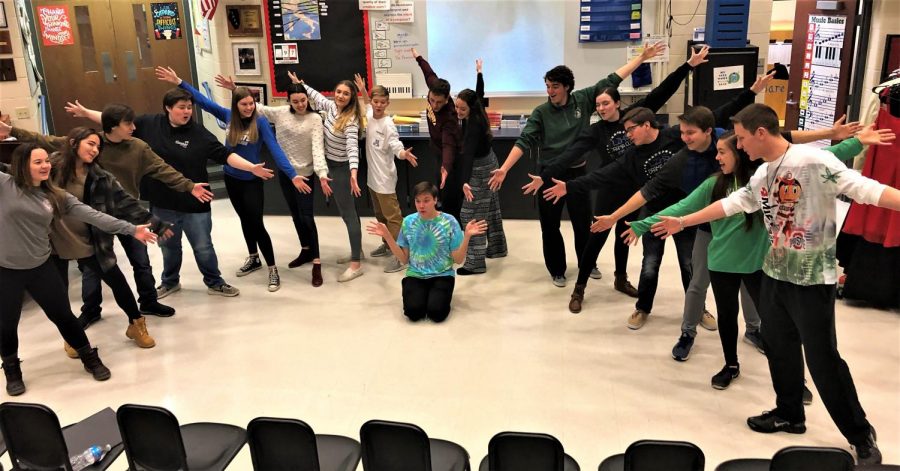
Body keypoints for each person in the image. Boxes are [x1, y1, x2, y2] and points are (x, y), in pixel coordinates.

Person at [650, 104, 900, 465]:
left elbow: (867, 190)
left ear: (761, 133)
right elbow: (733, 203)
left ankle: (860, 434)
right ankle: (789, 414)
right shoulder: (763, 173)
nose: (739, 146)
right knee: (779, 348)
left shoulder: (813, 162)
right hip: (774, 275)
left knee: (822, 358)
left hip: (812, 278)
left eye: (742, 138)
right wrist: (683, 220)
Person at [625, 128, 893, 389]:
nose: (717, 158)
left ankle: (792, 380)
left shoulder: (766, 177)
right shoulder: (716, 183)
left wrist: (858, 141)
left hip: (758, 264)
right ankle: (729, 364)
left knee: (775, 324)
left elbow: (825, 158)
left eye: (724, 152)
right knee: (726, 315)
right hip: (721, 263)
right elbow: (683, 207)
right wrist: (642, 224)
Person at [542, 76, 769, 327]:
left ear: (647, 125)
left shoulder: (674, 137)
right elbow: (602, 176)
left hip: (682, 212)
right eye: (625, 131)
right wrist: (569, 186)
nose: (628, 136)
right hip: (654, 211)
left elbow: (716, 115)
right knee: (650, 265)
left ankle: (698, 310)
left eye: (631, 130)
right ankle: (641, 308)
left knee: (688, 264)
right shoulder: (630, 156)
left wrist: (750, 92)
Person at [523, 45, 711, 295]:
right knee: (596, 234)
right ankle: (580, 287)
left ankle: (620, 279)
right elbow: (570, 153)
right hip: (609, 187)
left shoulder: (635, 116)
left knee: (624, 234)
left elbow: (663, 91)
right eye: (598, 105)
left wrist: (687, 66)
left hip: (635, 189)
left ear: (616, 103)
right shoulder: (595, 131)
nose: (601, 108)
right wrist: (544, 176)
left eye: (605, 104)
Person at [3, 105, 214, 320]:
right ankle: (91, 311)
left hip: (126, 213)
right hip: (93, 219)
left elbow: (161, 171)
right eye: (128, 123)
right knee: (93, 269)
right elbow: (43, 140)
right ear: (113, 127)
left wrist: (188, 187)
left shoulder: (136, 149)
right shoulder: (79, 151)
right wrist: (11, 131)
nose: (134, 127)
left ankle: (147, 303)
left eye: (96, 147)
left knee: (140, 262)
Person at [67, 91, 278, 299]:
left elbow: (226, 155)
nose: (187, 112)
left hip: (195, 201)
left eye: (189, 107)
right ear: (168, 108)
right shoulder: (149, 124)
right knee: (168, 247)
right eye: (181, 107)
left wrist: (251, 168)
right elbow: (115, 123)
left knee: (203, 247)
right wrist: (86, 113)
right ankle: (170, 282)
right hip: (162, 202)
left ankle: (215, 282)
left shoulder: (199, 134)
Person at [488, 42, 666, 288]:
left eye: (555, 87)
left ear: (567, 88)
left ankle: (587, 262)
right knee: (550, 226)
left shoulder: (582, 99)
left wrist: (643, 57)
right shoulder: (541, 112)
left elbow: (613, 78)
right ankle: (557, 270)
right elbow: (524, 140)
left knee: (583, 223)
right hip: (548, 175)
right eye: (548, 86)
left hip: (577, 174)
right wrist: (505, 168)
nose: (550, 91)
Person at [0, 143, 157, 395]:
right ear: (22, 165)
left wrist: (131, 228)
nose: (45, 166)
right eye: (37, 162)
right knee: (6, 323)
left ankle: (89, 357)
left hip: (40, 266)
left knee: (63, 315)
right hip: (6, 269)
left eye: (46, 161)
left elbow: (94, 215)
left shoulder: (55, 195)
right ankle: (11, 369)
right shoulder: (4, 185)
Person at [156, 66, 306, 292]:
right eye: (244, 104)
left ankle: (272, 268)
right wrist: (180, 82)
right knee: (244, 219)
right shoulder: (228, 116)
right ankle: (253, 257)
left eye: (251, 103)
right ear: (236, 106)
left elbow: (276, 150)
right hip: (232, 178)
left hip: (252, 181)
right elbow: (203, 102)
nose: (248, 108)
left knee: (256, 223)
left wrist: (293, 175)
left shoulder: (261, 122)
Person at [47, 127, 169, 353]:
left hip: (90, 240)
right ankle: (72, 335)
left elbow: (126, 201)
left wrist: (155, 222)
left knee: (117, 281)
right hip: (52, 242)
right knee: (58, 294)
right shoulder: (49, 167)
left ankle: (136, 324)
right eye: (90, 144)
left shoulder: (100, 177)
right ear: (74, 142)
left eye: (98, 147)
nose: (95, 150)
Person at [216, 76, 328, 287]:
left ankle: (316, 262)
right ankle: (305, 251)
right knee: (295, 215)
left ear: (307, 99)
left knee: (306, 218)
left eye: (303, 100)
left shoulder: (314, 119)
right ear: (289, 101)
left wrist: (321, 174)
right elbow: (253, 106)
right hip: (287, 175)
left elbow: (317, 149)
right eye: (295, 101)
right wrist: (235, 89)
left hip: (304, 174)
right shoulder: (281, 113)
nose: (300, 104)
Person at [366, 181, 486, 323]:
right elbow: (404, 259)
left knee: (436, 314)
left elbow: (458, 260)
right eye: (418, 201)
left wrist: (466, 236)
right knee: (413, 313)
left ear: (435, 200)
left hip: (442, 274)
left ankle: (439, 292)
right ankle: (416, 290)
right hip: (416, 274)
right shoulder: (408, 222)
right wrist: (387, 236)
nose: (421, 205)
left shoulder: (449, 221)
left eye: (426, 200)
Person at [288, 71, 367, 282]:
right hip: (330, 167)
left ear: (352, 98)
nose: (341, 96)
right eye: (339, 92)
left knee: (349, 215)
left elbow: (352, 147)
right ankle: (357, 250)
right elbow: (316, 97)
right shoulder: (332, 107)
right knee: (345, 213)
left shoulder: (350, 120)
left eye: (346, 94)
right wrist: (301, 84)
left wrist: (353, 173)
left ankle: (356, 264)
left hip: (342, 170)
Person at [353, 74, 419, 274]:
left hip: (385, 180)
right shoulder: (371, 113)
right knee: (380, 215)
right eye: (376, 101)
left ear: (388, 103)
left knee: (393, 218)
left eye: (383, 102)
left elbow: (395, 144)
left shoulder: (388, 124)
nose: (379, 105)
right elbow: (366, 101)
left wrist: (402, 154)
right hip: (373, 179)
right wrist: (364, 90)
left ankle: (402, 255)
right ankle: (387, 243)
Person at [455, 59, 508, 274]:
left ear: (470, 108)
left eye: (461, 108)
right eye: (456, 106)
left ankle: (475, 263)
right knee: (491, 207)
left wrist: (464, 182)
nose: (458, 111)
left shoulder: (474, 126)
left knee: (471, 214)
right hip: (490, 162)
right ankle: (497, 248)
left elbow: (467, 156)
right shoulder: (476, 109)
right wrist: (479, 73)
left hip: (480, 169)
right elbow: (478, 93)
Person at [411, 48, 462, 220]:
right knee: (439, 191)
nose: (434, 105)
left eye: (439, 102)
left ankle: (453, 232)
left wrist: (446, 167)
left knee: (449, 196)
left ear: (447, 99)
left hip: (450, 158)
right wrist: (418, 57)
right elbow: (428, 73)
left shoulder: (449, 117)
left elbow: (449, 145)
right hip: (436, 151)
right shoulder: (434, 86)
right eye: (431, 100)